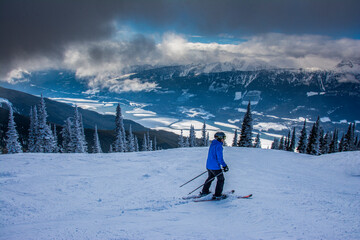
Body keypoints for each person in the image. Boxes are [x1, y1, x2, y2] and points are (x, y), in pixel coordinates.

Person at [201, 132, 229, 199]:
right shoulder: (219, 146)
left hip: (209, 165)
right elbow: (220, 158)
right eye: (223, 138)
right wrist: (224, 166)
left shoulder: (213, 144)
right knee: (221, 179)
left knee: (210, 177)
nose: (224, 139)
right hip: (215, 167)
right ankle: (218, 194)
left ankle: (205, 191)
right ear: (220, 138)